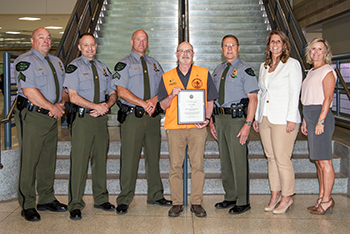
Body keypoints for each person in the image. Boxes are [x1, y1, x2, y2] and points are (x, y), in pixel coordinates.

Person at [112, 29, 171, 215]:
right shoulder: (124, 64)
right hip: (132, 118)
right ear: (132, 42)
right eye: (138, 40)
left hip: (152, 118)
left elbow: (164, 88)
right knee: (129, 158)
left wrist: (153, 101)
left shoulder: (154, 64)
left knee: (153, 157)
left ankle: (155, 194)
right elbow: (121, 91)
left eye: (144, 40)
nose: (141, 43)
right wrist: (143, 103)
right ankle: (124, 199)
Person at [13, 27, 68, 222]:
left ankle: (46, 198)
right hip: (33, 116)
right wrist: (52, 108)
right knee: (29, 160)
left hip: (52, 116)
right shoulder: (24, 61)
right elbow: (29, 91)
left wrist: (60, 104)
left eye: (48, 38)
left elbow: (64, 88)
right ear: (32, 41)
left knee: (47, 159)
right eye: (41, 37)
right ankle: (27, 204)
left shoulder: (57, 62)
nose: (46, 41)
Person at [159, 41, 219, 218]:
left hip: (197, 127)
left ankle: (197, 202)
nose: (185, 54)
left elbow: (210, 100)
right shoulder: (167, 76)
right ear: (176, 55)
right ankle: (177, 202)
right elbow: (162, 104)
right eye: (182, 51)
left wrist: (207, 119)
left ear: (193, 54)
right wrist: (172, 95)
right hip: (175, 128)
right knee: (175, 166)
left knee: (197, 165)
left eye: (189, 51)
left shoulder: (203, 73)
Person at [63, 33, 117, 220]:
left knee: (100, 159)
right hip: (83, 120)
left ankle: (101, 199)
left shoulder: (103, 68)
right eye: (85, 45)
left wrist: (107, 105)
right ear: (79, 47)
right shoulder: (73, 68)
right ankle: (75, 203)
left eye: (92, 45)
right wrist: (97, 106)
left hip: (100, 120)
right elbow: (73, 96)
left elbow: (112, 92)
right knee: (79, 162)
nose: (90, 48)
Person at [252, 30, 302, 214]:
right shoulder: (264, 66)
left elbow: (294, 93)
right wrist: (258, 117)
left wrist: (291, 119)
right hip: (266, 117)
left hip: (284, 119)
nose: (275, 45)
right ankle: (275, 195)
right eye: (272, 41)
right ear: (268, 45)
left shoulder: (292, 65)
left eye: (278, 41)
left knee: (282, 158)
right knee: (271, 158)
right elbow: (261, 93)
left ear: (284, 44)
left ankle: (287, 197)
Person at [209, 35, 258, 215]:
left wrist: (248, 124)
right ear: (222, 49)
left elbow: (253, 99)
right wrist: (212, 121)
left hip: (237, 120)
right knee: (226, 160)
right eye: (225, 46)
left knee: (238, 160)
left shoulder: (246, 70)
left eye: (232, 45)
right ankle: (230, 196)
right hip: (220, 120)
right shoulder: (217, 70)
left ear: (238, 48)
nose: (229, 49)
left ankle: (243, 201)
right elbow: (213, 99)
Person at [301, 37, 336, 215]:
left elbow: (327, 98)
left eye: (320, 49)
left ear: (326, 52)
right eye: (313, 49)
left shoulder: (327, 70)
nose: (316, 52)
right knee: (318, 162)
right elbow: (308, 96)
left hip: (321, 117)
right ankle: (321, 197)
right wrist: (306, 120)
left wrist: (320, 121)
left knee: (325, 161)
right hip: (311, 115)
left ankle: (327, 200)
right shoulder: (311, 71)